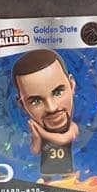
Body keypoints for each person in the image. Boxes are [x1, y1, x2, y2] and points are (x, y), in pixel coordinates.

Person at [12, 49, 79, 180]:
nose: (52, 108)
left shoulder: (71, 127)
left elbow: (64, 139)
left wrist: (41, 132)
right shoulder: (37, 128)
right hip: (46, 170)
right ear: (22, 105)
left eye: (58, 92)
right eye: (36, 101)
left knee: (69, 181)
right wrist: (36, 135)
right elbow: (35, 150)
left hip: (67, 169)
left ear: (72, 85)